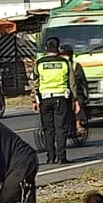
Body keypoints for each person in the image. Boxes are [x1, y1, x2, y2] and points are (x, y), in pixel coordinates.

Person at [32, 36, 74, 166]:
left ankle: (50, 157)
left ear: (46, 48)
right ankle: (62, 157)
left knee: (48, 129)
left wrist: (34, 99)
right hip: (61, 97)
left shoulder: (39, 63)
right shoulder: (65, 62)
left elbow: (35, 82)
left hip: (44, 98)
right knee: (61, 128)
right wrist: (76, 99)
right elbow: (72, 83)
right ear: (58, 48)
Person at [62, 45, 89, 142]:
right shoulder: (60, 64)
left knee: (78, 102)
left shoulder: (75, 65)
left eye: (65, 55)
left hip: (75, 91)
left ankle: (78, 124)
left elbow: (82, 80)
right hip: (61, 91)